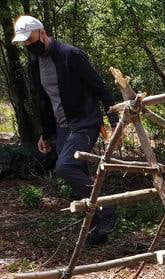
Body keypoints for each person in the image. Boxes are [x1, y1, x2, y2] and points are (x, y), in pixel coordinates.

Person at [12, 15, 120, 245]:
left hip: (85, 122)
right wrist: (46, 132)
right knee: (78, 174)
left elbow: (99, 86)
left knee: (65, 167)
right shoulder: (35, 63)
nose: (28, 45)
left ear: (42, 32)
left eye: (30, 40)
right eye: (24, 43)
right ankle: (97, 227)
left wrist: (114, 120)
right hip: (62, 127)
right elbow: (44, 99)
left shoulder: (70, 55)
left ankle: (107, 209)